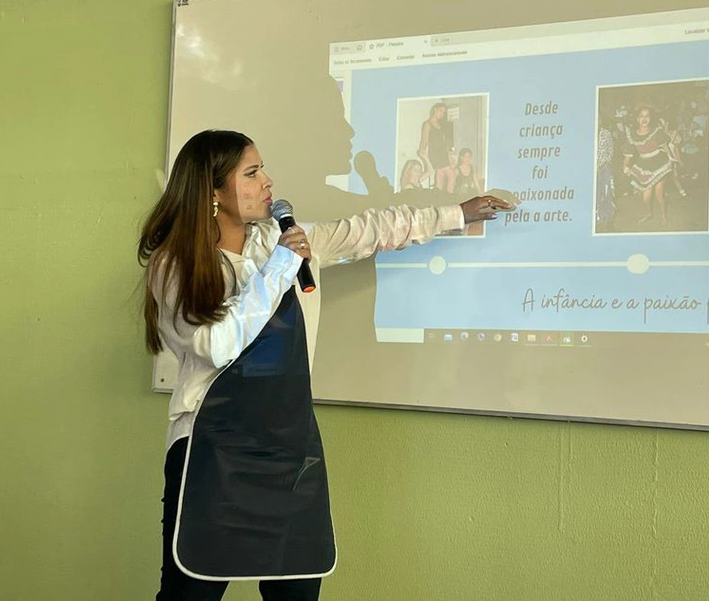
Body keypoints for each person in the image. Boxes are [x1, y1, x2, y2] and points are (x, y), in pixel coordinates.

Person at [139, 129, 512, 600]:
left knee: (297, 592)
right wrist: (280, 268)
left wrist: (458, 213)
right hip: (211, 451)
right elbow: (216, 343)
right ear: (212, 192)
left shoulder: (281, 241)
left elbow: (371, 229)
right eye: (252, 173)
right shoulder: (175, 265)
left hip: (286, 446)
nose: (268, 181)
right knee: (190, 593)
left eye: (263, 169)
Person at [621, 104, 674, 225]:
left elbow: (665, 146)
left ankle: (663, 216)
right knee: (646, 198)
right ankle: (648, 213)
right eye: (641, 116)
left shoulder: (656, 131)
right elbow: (627, 155)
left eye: (647, 116)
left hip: (660, 164)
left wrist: (671, 158)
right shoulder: (632, 135)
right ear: (637, 119)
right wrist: (625, 165)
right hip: (644, 166)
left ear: (650, 118)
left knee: (659, 195)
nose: (644, 119)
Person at [417, 102, 455, 192]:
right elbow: (424, 140)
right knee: (452, 175)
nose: (441, 114)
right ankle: (450, 199)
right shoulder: (427, 124)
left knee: (440, 176)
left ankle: (439, 199)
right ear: (435, 109)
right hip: (435, 153)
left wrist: (449, 155)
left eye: (443, 113)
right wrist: (422, 151)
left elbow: (444, 142)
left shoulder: (440, 125)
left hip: (443, 153)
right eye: (440, 111)